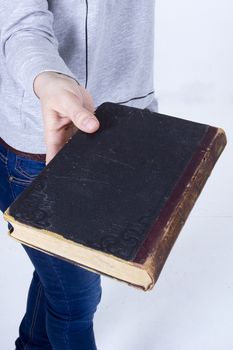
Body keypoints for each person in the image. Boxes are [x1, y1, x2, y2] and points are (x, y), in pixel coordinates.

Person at [0, 1, 158, 349]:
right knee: (75, 302)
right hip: (43, 146)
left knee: (55, 279)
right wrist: (50, 79)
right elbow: (20, 25)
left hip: (122, 131)